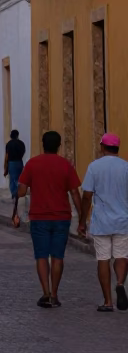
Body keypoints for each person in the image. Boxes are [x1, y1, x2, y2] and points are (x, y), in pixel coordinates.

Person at [15, 131, 82, 308]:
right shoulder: (65, 165)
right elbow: (75, 192)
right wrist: (82, 216)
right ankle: (55, 294)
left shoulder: (32, 164)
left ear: (42, 143)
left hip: (39, 217)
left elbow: (21, 192)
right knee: (58, 256)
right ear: (59, 145)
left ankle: (45, 293)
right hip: (61, 216)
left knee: (42, 256)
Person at [78, 133, 128, 312]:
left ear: (102, 147)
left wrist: (82, 220)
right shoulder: (125, 167)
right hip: (122, 219)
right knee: (122, 255)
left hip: (102, 221)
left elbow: (87, 195)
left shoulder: (94, 167)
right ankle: (120, 283)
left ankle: (108, 302)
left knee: (103, 259)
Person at [3, 130, 26, 201]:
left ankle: (15, 194)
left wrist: (5, 167)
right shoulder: (21, 143)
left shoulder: (9, 144)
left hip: (12, 163)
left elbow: (7, 156)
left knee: (13, 179)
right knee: (19, 178)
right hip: (19, 162)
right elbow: (23, 152)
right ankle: (19, 193)